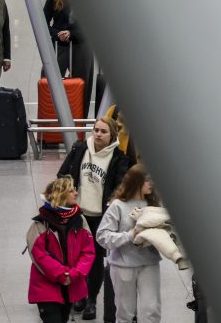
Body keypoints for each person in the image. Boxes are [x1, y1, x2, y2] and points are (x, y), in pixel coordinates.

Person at [58, 117, 132, 322]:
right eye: (96, 130)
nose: (98, 134)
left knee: (95, 259)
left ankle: (91, 299)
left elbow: (120, 188)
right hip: (77, 214)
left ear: (112, 135)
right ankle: (79, 296)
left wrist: (111, 207)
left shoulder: (119, 158)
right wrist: (68, 193)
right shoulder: (79, 149)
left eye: (103, 131)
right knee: (75, 256)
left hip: (100, 217)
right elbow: (62, 174)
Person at [97, 166, 161, 323]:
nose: (151, 184)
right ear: (136, 182)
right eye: (147, 180)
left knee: (152, 310)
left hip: (149, 264)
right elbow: (102, 236)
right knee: (125, 313)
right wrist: (130, 235)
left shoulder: (153, 205)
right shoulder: (117, 206)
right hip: (122, 266)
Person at [27, 175, 95, 323]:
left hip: (70, 285)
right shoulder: (41, 223)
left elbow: (88, 252)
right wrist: (62, 275)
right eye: (71, 190)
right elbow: (39, 255)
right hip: (47, 286)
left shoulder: (80, 220)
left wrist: (74, 274)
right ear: (61, 194)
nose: (76, 193)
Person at [43, 0, 94, 109]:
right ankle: (51, 115)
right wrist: (57, 34)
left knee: (82, 84)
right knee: (49, 80)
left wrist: (72, 33)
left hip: (81, 45)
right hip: (59, 45)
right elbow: (43, 21)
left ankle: (80, 118)